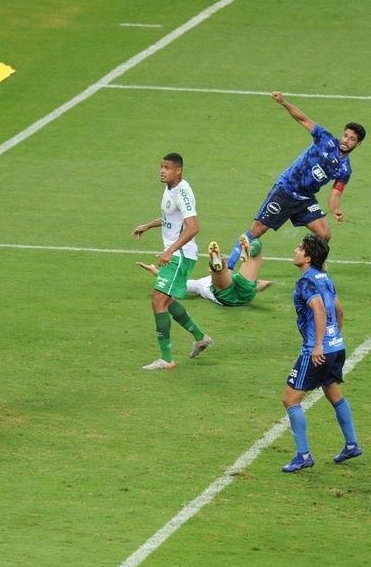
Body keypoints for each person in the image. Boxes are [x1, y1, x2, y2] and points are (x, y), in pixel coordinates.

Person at [225, 92, 364, 269]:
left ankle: (309, 263)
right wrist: (284, 102)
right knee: (258, 229)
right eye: (345, 135)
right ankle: (228, 266)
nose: (346, 140)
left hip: (305, 199)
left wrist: (335, 209)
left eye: (352, 139)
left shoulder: (345, 170)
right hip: (286, 190)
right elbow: (304, 119)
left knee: (325, 234)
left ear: (357, 144)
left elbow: (335, 193)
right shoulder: (326, 140)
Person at [280, 234, 362, 473]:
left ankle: (303, 455)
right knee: (333, 392)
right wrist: (333, 337)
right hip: (336, 346)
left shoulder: (306, 281)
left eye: (299, 248)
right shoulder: (325, 278)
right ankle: (352, 444)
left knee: (290, 399)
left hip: (317, 351)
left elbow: (318, 309)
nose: (295, 251)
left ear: (307, 257)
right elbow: (339, 311)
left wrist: (318, 345)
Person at [131, 152, 212, 370]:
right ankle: (200, 336)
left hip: (181, 254)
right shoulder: (169, 190)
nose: (162, 170)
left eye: (167, 167)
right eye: (161, 166)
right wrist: (148, 225)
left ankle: (167, 359)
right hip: (176, 253)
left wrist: (170, 251)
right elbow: (170, 218)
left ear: (178, 170)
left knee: (158, 300)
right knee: (163, 301)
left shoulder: (183, 190)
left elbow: (193, 227)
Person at [135, 234, 272, 306]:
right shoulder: (201, 285)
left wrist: (156, 273)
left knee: (256, 244)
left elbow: (178, 284)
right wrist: (260, 285)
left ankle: (223, 262)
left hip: (235, 294)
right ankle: (221, 263)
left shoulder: (199, 285)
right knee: (256, 246)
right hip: (239, 293)